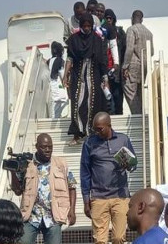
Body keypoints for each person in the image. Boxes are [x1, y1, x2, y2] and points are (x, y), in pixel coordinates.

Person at [80, 112, 134, 244]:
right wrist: (86, 199)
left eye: (100, 129)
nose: (96, 132)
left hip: (120, 196)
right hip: (98, 198)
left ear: (109, 125)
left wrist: (129, 165)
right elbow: (85, 172)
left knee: (119, 237)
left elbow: (133, 165)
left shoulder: (123, 140)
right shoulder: (90, 143)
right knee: (100, 241)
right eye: (95, 129)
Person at [11, 132, 76, 244]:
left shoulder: (61, 164)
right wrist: (13, 171)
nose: (48, 150)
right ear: (36, 147)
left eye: (50, 147)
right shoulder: (27, 165)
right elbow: (17, 190)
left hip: (53, 216)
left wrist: (72, 210)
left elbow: (72, 187)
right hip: (31, 215)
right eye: (44, 147)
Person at [65, 13, 109, 144]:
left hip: (93, 76)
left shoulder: (97, 40)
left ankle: (91, 133)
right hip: (78, 76)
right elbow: (69, 58)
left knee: (92, 104)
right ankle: (77, 134)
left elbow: (102, 60)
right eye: (84, 26)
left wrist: (105, 79)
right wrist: (65, 75)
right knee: (77, 104)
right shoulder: (74, 39)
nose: (86, 28)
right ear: (80, 25)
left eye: (89, 26)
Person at [122, 10, 153, 114]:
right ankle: (141, 113)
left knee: (129, 89)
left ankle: (137, 114)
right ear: (142, 19)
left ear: (132, 18)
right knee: (139, 92)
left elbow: (130, 49)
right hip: (145, 65)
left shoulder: (132, 29)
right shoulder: (149, 33)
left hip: (134, 64)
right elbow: (152, 51)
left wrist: (125, 66)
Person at [102, 9, 125, 115]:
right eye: (106, 18)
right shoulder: (102, 32)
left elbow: (124, 50)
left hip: (116, 71)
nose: (108, 20)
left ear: (114, 19)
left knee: (118, 97)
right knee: (107, 99)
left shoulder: (120, 32)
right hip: (105, 69)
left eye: (110, 18)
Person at [48, 41, 69, 118]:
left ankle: (56, 116)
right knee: (64, 99)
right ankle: (57, 118)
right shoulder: (60, 60)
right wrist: (65, 81)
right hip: (58, 83)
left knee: (56, 102)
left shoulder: (50, 60)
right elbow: (62, 72)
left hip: (52, 83)